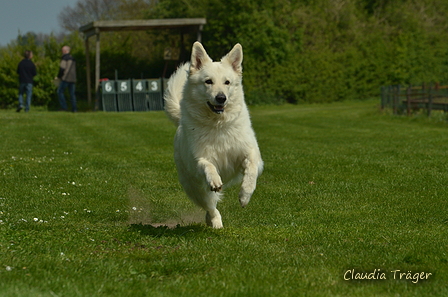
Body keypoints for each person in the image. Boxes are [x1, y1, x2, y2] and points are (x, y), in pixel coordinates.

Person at [57, 45, 77, 112]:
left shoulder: (64, 58)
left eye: (62, 50)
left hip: (66, 78)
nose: (61, 52)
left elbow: (62, 68)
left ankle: (64, 107)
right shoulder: (73, 58)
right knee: (72, 94)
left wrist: (59, 76)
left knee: (60, 92)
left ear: (65, 51)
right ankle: (74, 108)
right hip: (73, 78)